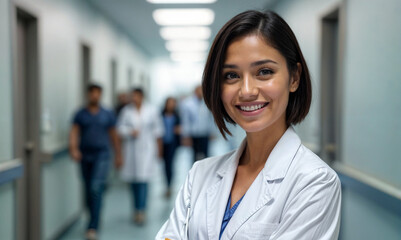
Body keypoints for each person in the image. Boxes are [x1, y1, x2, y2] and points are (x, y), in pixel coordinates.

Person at [156, 10, 341, 240]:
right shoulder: (200, 174)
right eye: (231, 76)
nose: (246, 91)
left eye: (264, 72)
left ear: (294, 77)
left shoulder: (315, 182)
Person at [69, 84, 122, 240]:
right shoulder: (80, 114)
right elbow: (74, 132)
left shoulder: (107, 114)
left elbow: (114, 135)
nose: (94, 96)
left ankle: (93, 225)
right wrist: (73, 149)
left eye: (97, 93)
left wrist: (119, 155)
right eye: (92, 93)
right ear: (88, 94)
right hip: (85, 156)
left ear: (101, 95)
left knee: (95, 187)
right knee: (87, 189)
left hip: (103, 155)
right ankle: (93, 216)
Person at [117, 88, 164, 224]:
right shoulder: (126, 111)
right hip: (131, 150)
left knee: (143, 180)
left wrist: (159, 150)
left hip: (147, 150)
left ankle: (141, 211)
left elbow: (158, 130)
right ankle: (135, 208)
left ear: (142, 96)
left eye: (137, 96)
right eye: (133, 96)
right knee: (133, 181)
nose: (135, 98)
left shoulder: (152, 110)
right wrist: (130, 131)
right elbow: (119, 128)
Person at [180, 86, 215, 162]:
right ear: (195, 91)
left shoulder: (207, 103)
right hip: (194, 135)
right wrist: (186, 136)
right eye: (200, 91)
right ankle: (195, 172)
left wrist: (212, 132)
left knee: (206, 156)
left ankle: (206, 173)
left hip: (205, 133)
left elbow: (210, 119)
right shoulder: (188, 104)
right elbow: (186, 121)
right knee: (195, 157)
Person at [161, 97, 181, 198]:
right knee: (165, 165)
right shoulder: (161, 115)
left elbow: (180, 129)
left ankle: (169, 185)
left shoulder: (177, 116)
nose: (171, 105)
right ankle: (166, 184)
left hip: (173, 143)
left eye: (173, 103)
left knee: (170, 164)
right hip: (163, 143)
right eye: (169, 103)